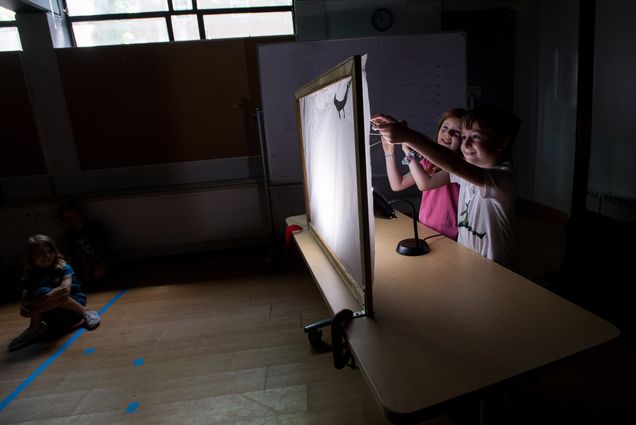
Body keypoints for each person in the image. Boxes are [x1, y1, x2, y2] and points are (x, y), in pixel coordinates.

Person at [371, 105, 521, 269]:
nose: (467, 144)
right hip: (467, 262)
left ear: (501, 142)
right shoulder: (461, 173)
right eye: (464, 137)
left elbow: (454, 165)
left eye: (476, 137)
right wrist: (404, 139)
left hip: (499, 271)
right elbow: (426, 183)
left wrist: (406, 136)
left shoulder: (503, 179)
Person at [382, 108, 466, 240]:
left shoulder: (459, 166)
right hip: (425, 230)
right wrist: (389, 152)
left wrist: (408, 152)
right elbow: (397, 184)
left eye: (456, 132)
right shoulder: (428, 162)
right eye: (445, 128)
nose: (448, 134)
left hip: (450, 236)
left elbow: (425, 184)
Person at [8, 234, 100, 351]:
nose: (46, 256)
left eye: (49, 251)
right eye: (40, 253)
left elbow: (63, 295)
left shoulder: (63, 267)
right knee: (41, 292)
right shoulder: (29, 276)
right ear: (30, 257)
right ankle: (34, 328)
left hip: (72, 310)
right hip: (52, 316)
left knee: (49, 293)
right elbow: (25, 304)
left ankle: (86, 312)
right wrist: (34, 306)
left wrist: (33, 311)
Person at [57, 200, 109, 285]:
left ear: (80, 215)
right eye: (67, 218)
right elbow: (80, 255)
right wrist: (87, 271)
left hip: (100, 258)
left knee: (98, 274)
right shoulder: (69, 237)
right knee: (70, 272)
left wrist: (94, 264)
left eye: (73, 215)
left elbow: (101, 248)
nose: (71, 219)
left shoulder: (93, 227)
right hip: (83, 261)